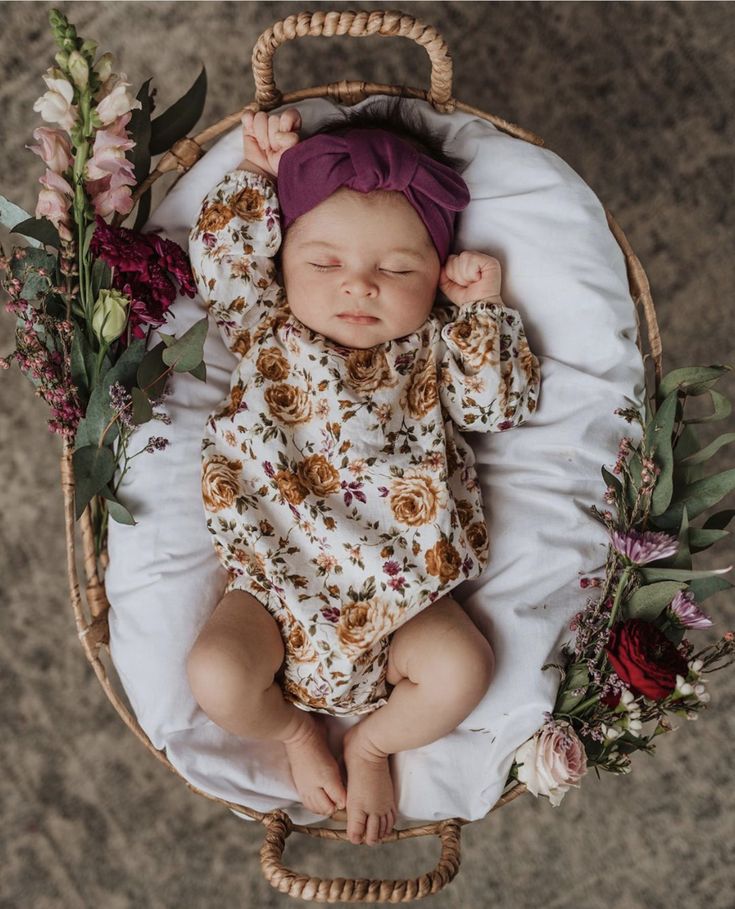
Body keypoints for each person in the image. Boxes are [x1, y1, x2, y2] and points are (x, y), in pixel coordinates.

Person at [186, 98, 541, 846]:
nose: (359, 284)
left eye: (396, 267)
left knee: (461, 668)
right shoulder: (264, 322)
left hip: (405, 592)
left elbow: (494, 409)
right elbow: (221, 260)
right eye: (324, 262)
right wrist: (255, 173)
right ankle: (291, 730)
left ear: (434, 274)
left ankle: (374, 740)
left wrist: (483, 311)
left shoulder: (430, 346)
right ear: (283, 265)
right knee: (217, 674)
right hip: (274, 583)